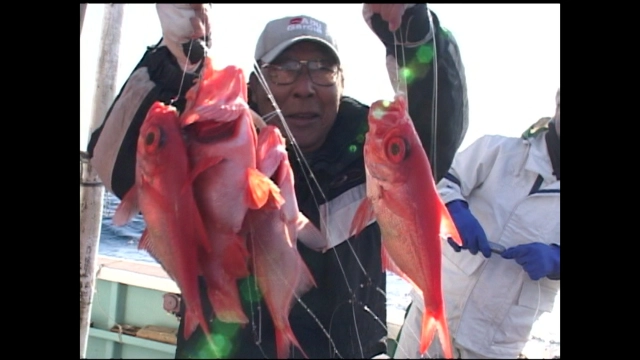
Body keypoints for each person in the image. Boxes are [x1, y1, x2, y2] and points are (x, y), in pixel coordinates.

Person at [86, 3, 469, 359]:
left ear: (341, 81)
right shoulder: (211, 138)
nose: (305, 87)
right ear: (255, 85)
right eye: (284, 70)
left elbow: (436, 126)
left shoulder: (370, 150)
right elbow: (120, 163)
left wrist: (414, 33)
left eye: (322, 69)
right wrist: (176, 62)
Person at [394, 88, 560, 359]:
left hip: (497, 344)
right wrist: (455, 210)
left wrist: (556, 260)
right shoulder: (498, 151)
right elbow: (438, 177)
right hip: (434, 310)